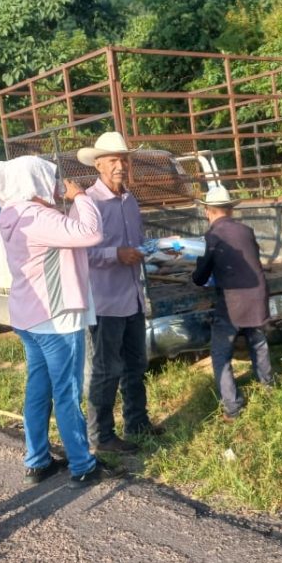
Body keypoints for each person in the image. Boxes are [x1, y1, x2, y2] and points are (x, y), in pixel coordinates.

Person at [0, 155, 114, 489]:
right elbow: (90, 233)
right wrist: (81, 197)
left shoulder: (13, 215)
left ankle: (37, 461)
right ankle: (82, 464)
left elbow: (70, 237)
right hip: (56, 320)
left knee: (39, 389)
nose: (56, 184)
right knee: (67, 392)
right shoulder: (38, 217)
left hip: (29, 318)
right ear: (36, 182)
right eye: (50, 178)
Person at [79, 132, 160, 455]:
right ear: (98, 164)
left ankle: (137, 422)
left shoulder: (130, 199)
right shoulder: (89, 203)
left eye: (124, 159)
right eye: (112, 160)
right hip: (106, 301)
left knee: (136, 364)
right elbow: (80, 253)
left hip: (133, 296)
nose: (120, 165)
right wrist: (116, 254)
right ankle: (101, 435)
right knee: (105, 370)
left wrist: (154, 252)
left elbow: (136, 244)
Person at [192, 186, 274, 420]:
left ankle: (233, 407)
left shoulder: (212, 236)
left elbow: (200, 275)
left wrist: (194, 275)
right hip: (257, 296)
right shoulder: (246, 230)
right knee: (258, 344)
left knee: (221, 354)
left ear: (208, 211)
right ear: (230, 209)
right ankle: (268, 389)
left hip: (232, 302)